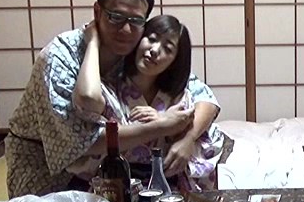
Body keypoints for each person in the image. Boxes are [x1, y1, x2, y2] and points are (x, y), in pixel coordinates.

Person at [5, 0, 194, 198]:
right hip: (41, 163)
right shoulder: (60, 57)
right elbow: (86, 135)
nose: (126, 29)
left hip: (103, 172)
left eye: (135, 21)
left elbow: (201, 94)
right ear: (97, 12)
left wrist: (188, 138)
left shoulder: (137, 51)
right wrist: (163, 126)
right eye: (116, 17)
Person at [74, 14, 224, 191]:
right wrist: (161, 126)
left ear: (175, 61)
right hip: (117, 190)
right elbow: (90, 139)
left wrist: (179, 134)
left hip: (169, 191)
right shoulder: (107, 89)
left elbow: (205, 133)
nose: (154, 50)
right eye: (151, 39)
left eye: (168, 49)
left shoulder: (180, 97)